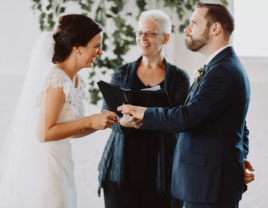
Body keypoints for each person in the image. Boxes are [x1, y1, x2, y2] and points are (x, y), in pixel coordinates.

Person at [118, 3, 255, 208]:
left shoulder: (222, 71)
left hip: (208, 185)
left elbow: (187, 117)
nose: (187, 28)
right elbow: (238, 124)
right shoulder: (223, 66)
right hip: (208, 181)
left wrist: (144, 113)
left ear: (215, 29)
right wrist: (238, 157)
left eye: (194, 23)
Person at [0, 14, 118, 208]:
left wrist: (101, 122)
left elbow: (71, 129)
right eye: (96, 46)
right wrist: (89, 121)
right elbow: (44, 133)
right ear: (77, 47)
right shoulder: (57, 80)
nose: (101, 52)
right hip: (47, 172)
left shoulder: (77, 81)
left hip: (63, 166)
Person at [98, 10, 190, 208]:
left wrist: (147, 117)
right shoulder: (121, 72)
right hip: (121, 170)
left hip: (162, 171)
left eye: (150, 33)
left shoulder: (179, 78)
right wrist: (122, 122)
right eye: (139, 33)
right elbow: (106, 113)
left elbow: (180, 120)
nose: (142, 38)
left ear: (165, 38)